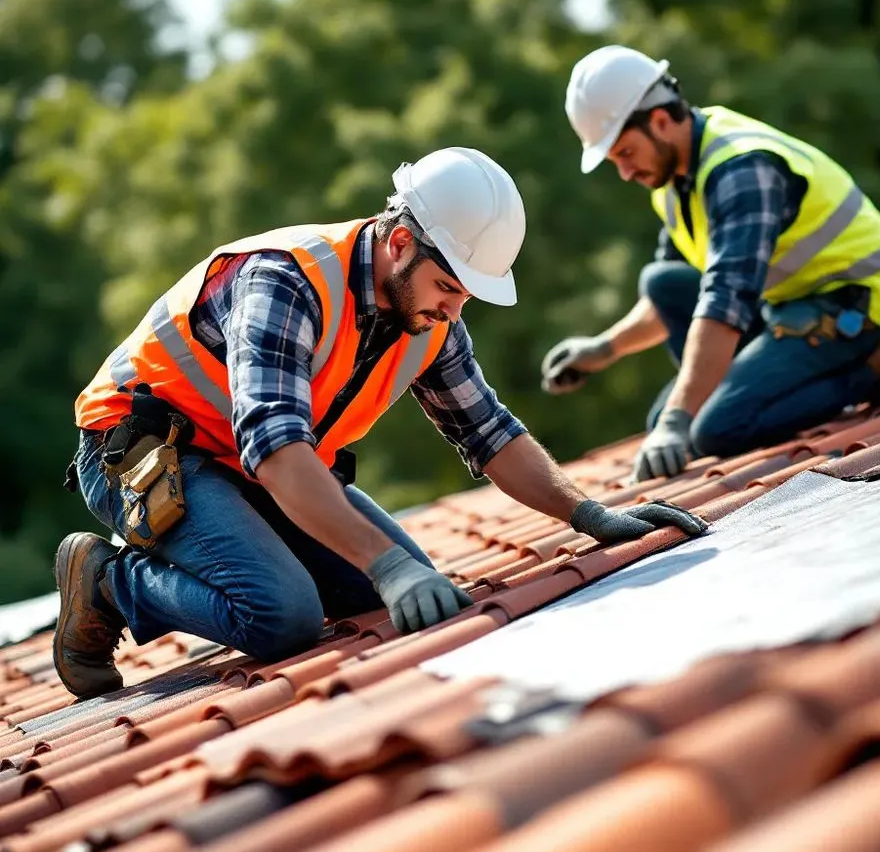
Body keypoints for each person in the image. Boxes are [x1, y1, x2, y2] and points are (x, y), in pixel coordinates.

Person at [55, 147, 708, 699]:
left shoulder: (428, 315)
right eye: (448, 289)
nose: (453, 312)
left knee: (389, 586)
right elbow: (278, 452)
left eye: (464, 297)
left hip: (246, 465)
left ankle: (241, 560)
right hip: (146, 453)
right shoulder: (286, 281)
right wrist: (387, 564)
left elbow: (490, 433)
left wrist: (589, 516)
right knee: (283, 615)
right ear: (401, 243)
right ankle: (109, 583)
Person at [542, 45, 880, 482]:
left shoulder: (741, 171)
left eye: (625, 153)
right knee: (661, 283)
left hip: (860, 303)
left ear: (661, 121)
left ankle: (879, 363)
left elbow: (725, 302)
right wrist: (604, 349)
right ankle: (751, 380)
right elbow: (684, 291)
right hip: (788, 309)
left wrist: (679, 418)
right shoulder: (673, 183)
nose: (625, 172)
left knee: (714, 429)